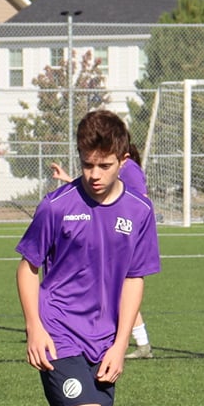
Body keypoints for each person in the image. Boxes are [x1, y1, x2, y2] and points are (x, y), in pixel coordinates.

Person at [5, 109, 162, 406]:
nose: (93, 175)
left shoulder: (139, 212)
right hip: (60, 334)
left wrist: (120, 344)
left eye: (104, 165)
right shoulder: (57, 205)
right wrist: (34, 325)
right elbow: (27, 267)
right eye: (87, 164)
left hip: (103, 343)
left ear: (123, 160)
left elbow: (135, 279)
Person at [51, 139, 157, 356]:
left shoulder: (130, 170)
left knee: (120, 291)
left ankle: (139, 342)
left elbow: (139, 202)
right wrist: (68, 180)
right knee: (112, 293)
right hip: (105, 235)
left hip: (119, 239)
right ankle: (135, 342)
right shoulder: (106, 173)